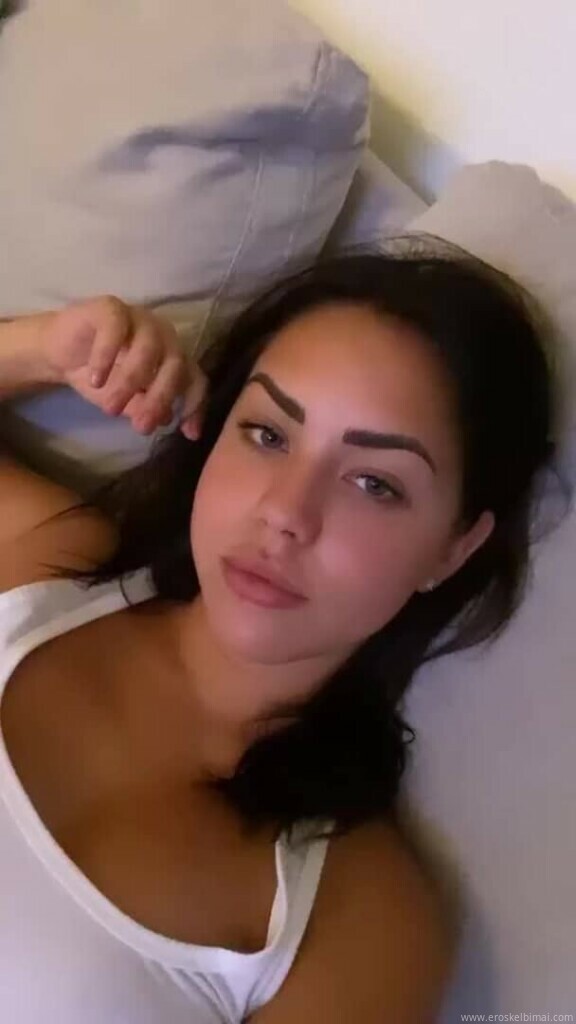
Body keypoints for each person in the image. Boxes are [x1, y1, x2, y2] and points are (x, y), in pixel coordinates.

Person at [0, 241, 555, 1023]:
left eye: (375, 483)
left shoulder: (360, 924)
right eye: (267, 434)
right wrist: (43, 351)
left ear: (453, 548)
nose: (286, 513)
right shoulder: (45, 570)